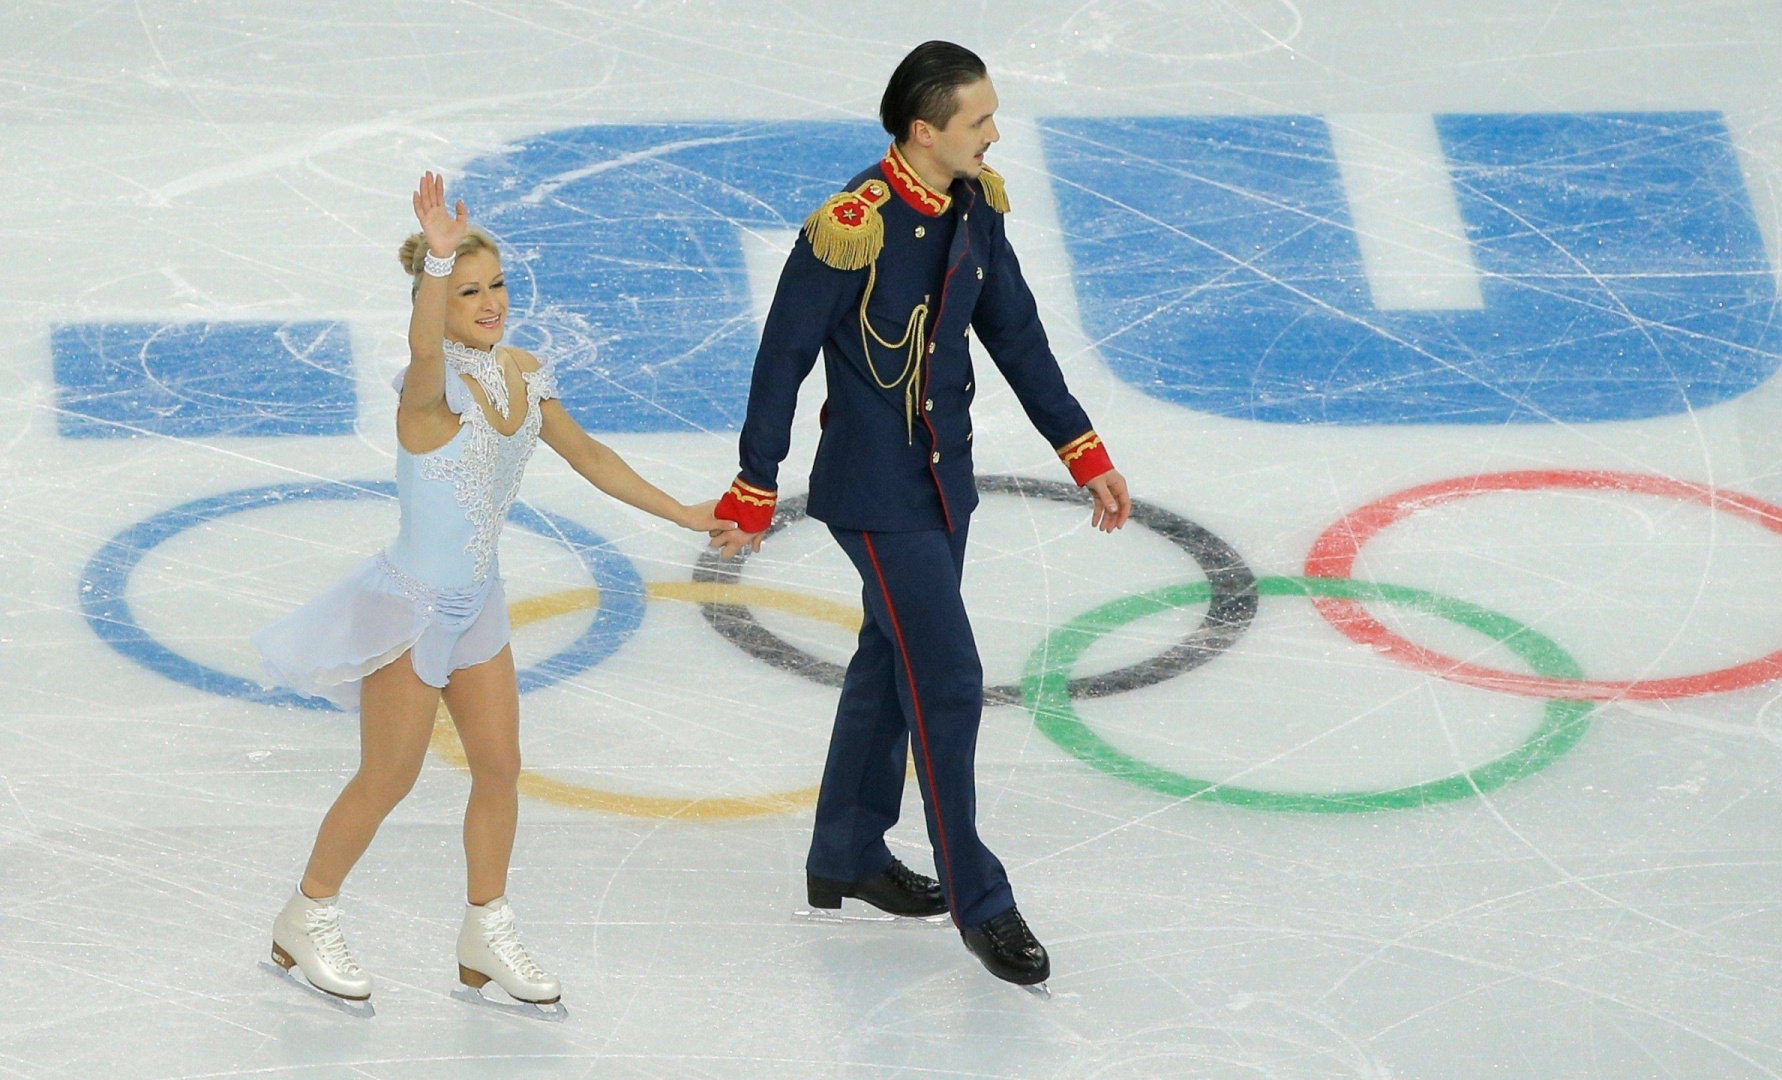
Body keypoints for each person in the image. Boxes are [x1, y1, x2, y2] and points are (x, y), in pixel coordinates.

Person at [708, 41, 1132, 989]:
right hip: (875, 493)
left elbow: (1016, 333)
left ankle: (847, 852)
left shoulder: (976, 205)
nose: (993, 133)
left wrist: (1082, 446)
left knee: (887, 661)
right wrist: (755, 478)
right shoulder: (849, 226)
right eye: (978, 120)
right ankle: (982, 901)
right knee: (946, 676)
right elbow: (782, 357)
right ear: (924, 130)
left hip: (946, 482)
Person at [255, 172, 729, 1016]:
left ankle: (485, 931)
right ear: (435, 301)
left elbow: (593, 459)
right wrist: (437, 264)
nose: (489, 302)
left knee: (500, 768)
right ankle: (307, 913)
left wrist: (686, 513)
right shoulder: (426, 394)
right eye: (468, 290)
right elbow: (429, 349)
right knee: (387, 777)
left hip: (479, 603)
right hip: (412, 611)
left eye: (496, 285)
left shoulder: (525, 374)